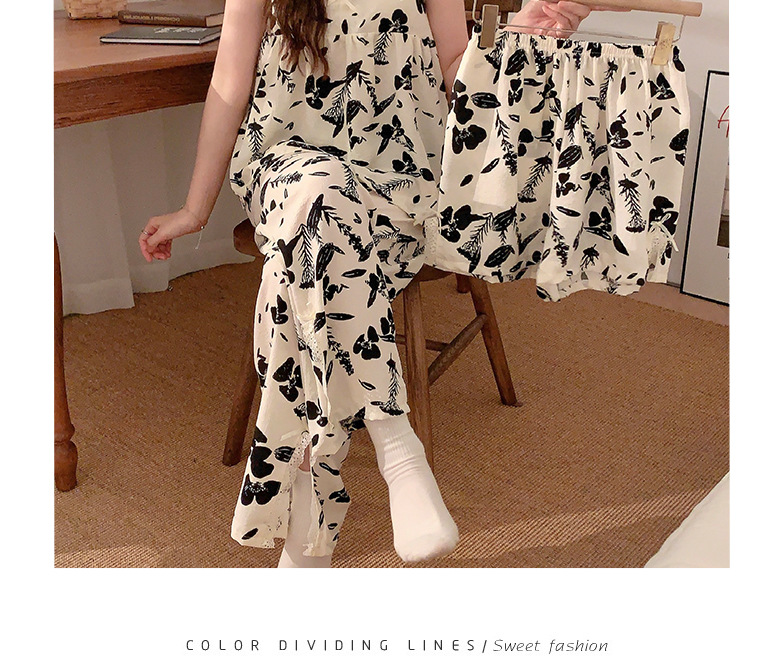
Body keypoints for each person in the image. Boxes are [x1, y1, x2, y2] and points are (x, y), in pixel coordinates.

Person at [138, 1, 610, 568]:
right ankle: (397, 445)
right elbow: (230, 82)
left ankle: (309, 536)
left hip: (397, 181)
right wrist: (195, 208)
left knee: (307, 269)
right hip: (288, 168)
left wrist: (513, 43)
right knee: (318, 201)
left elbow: (455, 63)